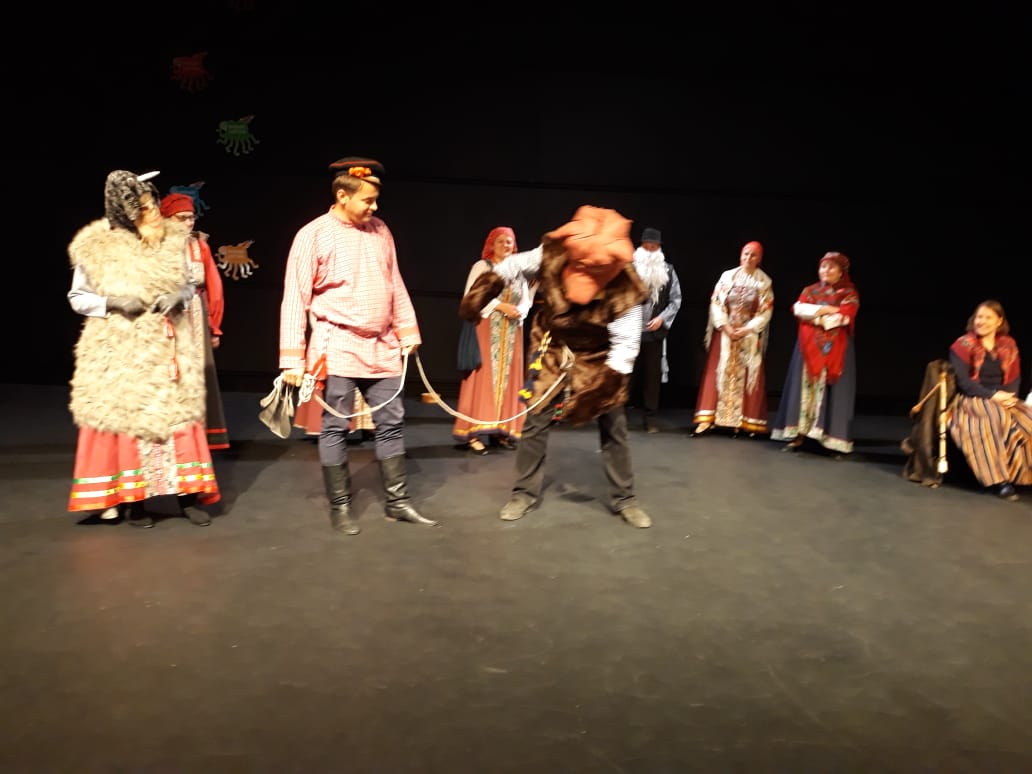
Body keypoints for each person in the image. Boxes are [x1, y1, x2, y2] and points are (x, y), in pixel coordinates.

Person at [459, 205, 653, 529]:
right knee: (536, 419)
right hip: (552, 343)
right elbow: (513, 265)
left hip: (599, 354)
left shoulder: (626, 284)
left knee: (614, 424)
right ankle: (523, 493)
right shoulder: (553, 253)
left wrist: (600, 392)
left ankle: (625, 499)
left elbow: (626, 347)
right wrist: (486, 288)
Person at [278, 156, 437, 536]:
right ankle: (341, 507)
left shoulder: (381, 230)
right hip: (337, 345)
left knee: (392, 423)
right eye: (367, 200)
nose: (374, 207)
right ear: (342, 195)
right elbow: (295, 297)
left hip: (382, 346)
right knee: (335, 426)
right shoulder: (313, 235)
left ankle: (397, 503)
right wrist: (292, 359)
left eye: (376, 199)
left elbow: (395, 282)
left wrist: (407, 331)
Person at [66, 170, 219, 528]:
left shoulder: (170, 241)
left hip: (167, 345)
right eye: (143, 208)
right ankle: (136, 502)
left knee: (179, 418)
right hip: (122, 347)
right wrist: (113, 302)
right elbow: (78, 297)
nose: (152, 213)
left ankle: (187, 496)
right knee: (130, 420)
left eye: (152, 205)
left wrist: (178, 295)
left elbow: (188, 284)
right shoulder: (97, 247)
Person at [452, 226, 535, 454]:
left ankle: (500, 430)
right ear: (491, 244)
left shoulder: (518, 270)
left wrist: (520, 311)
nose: (506, 245)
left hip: (512, 332)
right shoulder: (483, 267)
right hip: (486, 328)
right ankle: (473, 434)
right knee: (482, 379)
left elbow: (526, 299)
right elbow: (471, 296)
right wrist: (500, 306)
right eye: (501, 241)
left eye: (509, 241)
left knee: (510, 382)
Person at [159, 192, 230, 451]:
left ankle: (197, 438)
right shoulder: (155, 246)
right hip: (164, 317)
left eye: (191, 218)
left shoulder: (199, 246)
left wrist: (214, 327)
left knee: (197, 374)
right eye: (182, 218)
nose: (189, 223)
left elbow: (214, 287)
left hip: (195, 316)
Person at [770, 251, 859, 456]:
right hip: (808, 346)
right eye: (823, 266)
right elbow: (798, 309)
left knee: (831, 390)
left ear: (841, 272)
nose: (826, 270)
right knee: (803, 388)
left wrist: (816, 314)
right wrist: (826, 311)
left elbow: (845, 317)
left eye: (831, 267)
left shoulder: (849, 293)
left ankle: (827, 438)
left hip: (835, 348)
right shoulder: (810, 290)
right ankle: (800, 434)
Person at [946, 299, 1032, 501]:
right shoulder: (963, 345)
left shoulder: (1008, 344)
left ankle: (1020, 475)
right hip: (973, 398)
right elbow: (964, 382)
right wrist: (993, 396)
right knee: (995, 419)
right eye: (979, 317)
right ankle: (999, 480)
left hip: (1004, 397)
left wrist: (1009, 398)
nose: (982, 321)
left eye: (988, 317)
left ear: (999, 321)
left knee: (1026, 421)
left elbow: (1014, 378)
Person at [692, 240, 773, 437]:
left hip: (748, 335)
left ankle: (742, 421)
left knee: (748, 374)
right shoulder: (728, 277)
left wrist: (747, 329)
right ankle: (708, 419)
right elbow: (716, 302)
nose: (748, 258)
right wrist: (725, 326)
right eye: (746, 254)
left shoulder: (764, 282)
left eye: (753, 255)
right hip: (725, 334)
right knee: (717, 372)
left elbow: (765, 310)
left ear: (759, 259)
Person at [629, 227, 682, 433]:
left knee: (651, 379)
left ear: (659, 248)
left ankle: (650, 419)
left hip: (653, 333)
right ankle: (618, 418)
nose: (650, 250)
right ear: (641, 247)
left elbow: (675, 300)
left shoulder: (667, 270)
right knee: (626, 376)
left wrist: (662, 318)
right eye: (647, 246)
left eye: (654, 247)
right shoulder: (630, 269)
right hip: (630, 331)